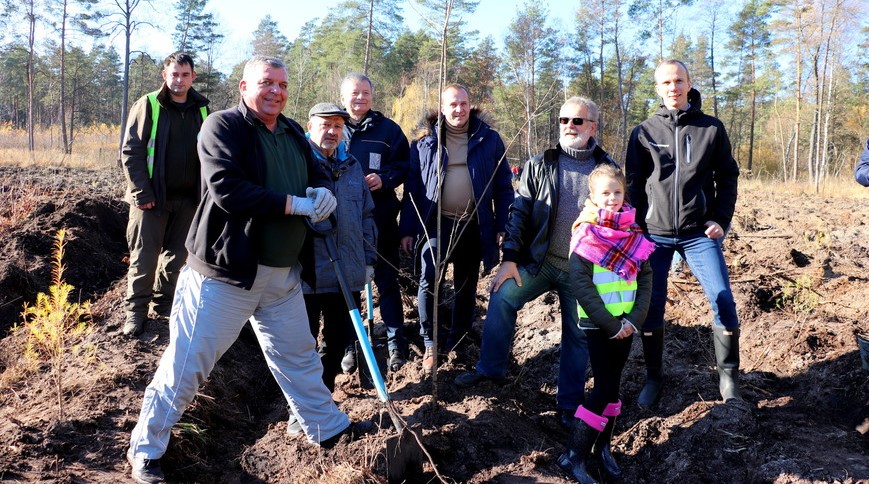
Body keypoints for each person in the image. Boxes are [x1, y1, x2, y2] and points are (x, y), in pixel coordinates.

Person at [126, 56, 368, 484]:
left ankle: (327, 429)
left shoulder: (292, 131)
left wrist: (317, 192)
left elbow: (312, 173)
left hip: (281, 277)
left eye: (282, 84)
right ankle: (146, 450)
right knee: (187, 367)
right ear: (243, 86)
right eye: (266, 83)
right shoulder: (222, 127)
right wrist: (294, 205)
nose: (276, 91)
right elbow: (226, 189)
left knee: (299, 358)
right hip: (224, 276)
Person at [455, 96, 618, 428]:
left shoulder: (608, 169)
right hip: (540, 260)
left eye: (576, 121)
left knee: (579, 332)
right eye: (563, 121)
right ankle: (490, 371)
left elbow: (619, 220)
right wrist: (510, 259)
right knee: (503, 297)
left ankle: (569, 403)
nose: (568, 127)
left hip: (583, 268)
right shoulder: (540, 163)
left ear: (592, 127)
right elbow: (519, 214)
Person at [625, 59, 742, 407]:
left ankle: (729, 377)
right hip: (655, 235)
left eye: (679, 81)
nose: (673, 87)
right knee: (652, 306)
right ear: (658, 88)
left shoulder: (711, 128)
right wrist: (637, 228)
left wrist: (721, 218)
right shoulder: (643, 132)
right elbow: (632, 184)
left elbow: (728, 176)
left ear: (689, 84)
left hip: (698, 233)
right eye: (666, 82)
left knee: (722, 297)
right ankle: (653, 378)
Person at [400, 84, 514, 374]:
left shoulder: (488, 140)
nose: (459, 109)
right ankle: (430, 342)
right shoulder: (425, 143)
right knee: (429, 277)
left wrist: (502, 224)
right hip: (436, 224)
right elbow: (412, 188)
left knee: (466, 286)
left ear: (470, 104)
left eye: (463, 103)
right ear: (442, 108)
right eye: (452, 104)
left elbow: (503, 186)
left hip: (473, 225)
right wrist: (408, 230)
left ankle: (457, 342)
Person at [557, 163, 654, 483]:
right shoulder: (585, 232)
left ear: (625, 193)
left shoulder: (633, 231)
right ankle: (574, 456)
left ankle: (603, 449)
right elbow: (581, 285)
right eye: (605, 193)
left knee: (612, 391)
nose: (612, 199)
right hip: (599, 326)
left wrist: (634, 320)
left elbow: (646, 277)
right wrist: (612, 325)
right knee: (603, 390)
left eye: (617, 192)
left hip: (627, 324)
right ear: (593, 196)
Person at [120, 52, 210, 337]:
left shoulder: (203, 110)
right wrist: (141, 191)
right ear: (165, 75)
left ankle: (163, 307)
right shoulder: (148, 105)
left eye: (184, 75)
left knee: (177, 259)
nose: (179, 80)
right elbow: (131, 151)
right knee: (144, 259)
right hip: (151, 199)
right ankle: (135, 313)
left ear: (193, 76)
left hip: (189, 201)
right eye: (174, 74)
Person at [302, 102, 377, 395]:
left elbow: (366, 215)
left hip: (345, 271)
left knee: (337, 340)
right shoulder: (299, 162)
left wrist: (368, 260)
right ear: (310, 126)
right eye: (325, 125)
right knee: (303, 343)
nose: (332, 132)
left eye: (337, 126)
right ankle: (304, 405)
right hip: (306, 273)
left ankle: (324, 396)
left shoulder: (352, 166)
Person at [340, 73, 410, 373]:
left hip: (381, 219)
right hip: (344, 221)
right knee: (348, 285)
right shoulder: (334, 126)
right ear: (344, 97)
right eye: (355, 93)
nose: (360, 98)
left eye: (365, 93)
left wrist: (384, 178)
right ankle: (350, 345)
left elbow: (406, 166)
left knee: (387, 281)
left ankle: (396, 342)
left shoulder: (388, 130)